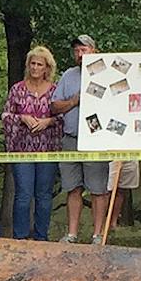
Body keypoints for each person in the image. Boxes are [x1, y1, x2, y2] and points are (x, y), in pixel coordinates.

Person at [1, 44, 61, 240]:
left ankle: (41, 237)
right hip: (22, 149)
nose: (35, 68)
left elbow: (63, 117)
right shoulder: (17, 89)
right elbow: (6, 115)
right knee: (23, 195)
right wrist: (22, 118)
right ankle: (20, 237)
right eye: (32, 64)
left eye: (39, 64)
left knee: (43, 196)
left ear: (47, 68)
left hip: (47, 149)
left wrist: (48, 121)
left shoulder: (55, 90)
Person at [52, 34, 97, 241]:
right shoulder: (68, 76)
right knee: (72, 187)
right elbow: (54, 106)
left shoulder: (105, 72)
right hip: (71, 137)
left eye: (84, 50)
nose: (79, 54)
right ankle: (72, 233)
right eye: (77, 51)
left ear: (93, 51)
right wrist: (74, 101)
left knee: (98, 189)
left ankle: (98, 234)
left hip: (98, 140)